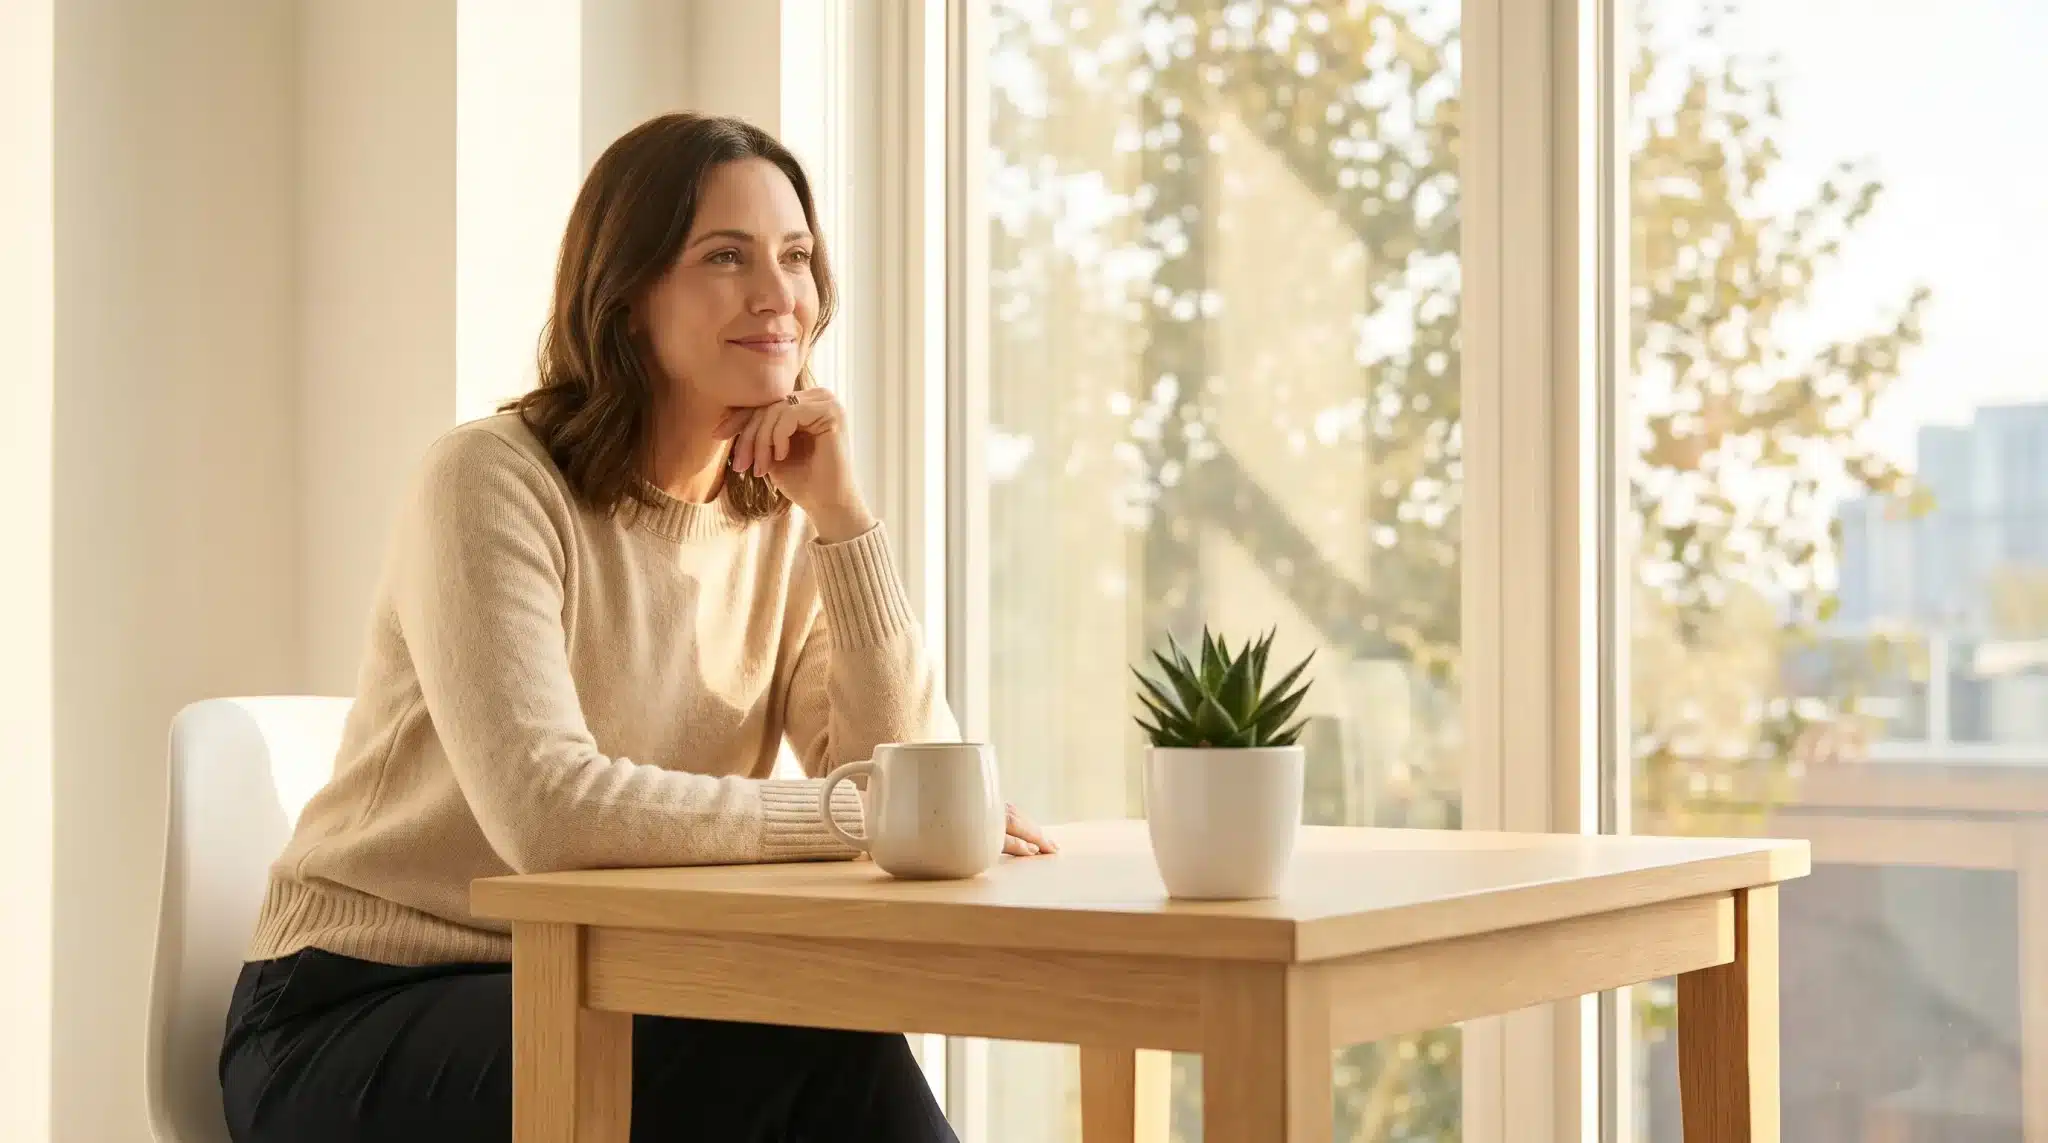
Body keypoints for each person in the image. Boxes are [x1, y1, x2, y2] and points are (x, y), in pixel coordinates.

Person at [219, 112, 1052, 1143]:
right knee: (799, 1042)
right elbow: (551, 815)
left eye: (794, 258)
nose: (776, 296)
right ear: (625, 298)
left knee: (816, 1031)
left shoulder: (780, 521)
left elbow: (915, 801)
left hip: (604, 986)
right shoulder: (488, 481)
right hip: (358, 1009)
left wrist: (845, 525)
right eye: (724, 257)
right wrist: (854, 818)